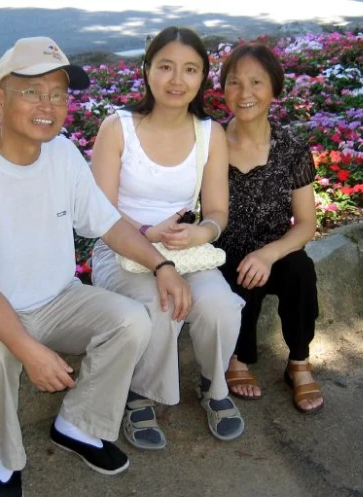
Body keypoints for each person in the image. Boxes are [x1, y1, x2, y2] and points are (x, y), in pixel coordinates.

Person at [0, 36, 192, 497]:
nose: (48, 106)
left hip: (58, 297)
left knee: (133, 319)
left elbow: (109, 223)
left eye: (58, 94)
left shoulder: (63, 155)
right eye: (32, 92)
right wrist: (30, 350)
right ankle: (6, 458)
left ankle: (79, 425)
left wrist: (163, 266)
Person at [90, 26, 246, 450]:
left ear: (202, 77)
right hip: (121, 248)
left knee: (220, 305)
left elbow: (217, 213)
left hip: (185, 251)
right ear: (146, 71)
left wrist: (203, 231)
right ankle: (139, 396)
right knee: (159, 307)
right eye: (165, 67)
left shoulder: (209, 134)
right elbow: (99, 213)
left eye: (190, 69)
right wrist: (145, 231)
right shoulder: (118, 128)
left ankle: (214, 387)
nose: (177, 80)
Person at [215, 43, 324, 414]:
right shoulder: (209, 143)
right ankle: (238, 358)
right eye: (234, 83)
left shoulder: (291, 148)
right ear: (223, 89)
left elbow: (306, 223)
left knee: (300, 270)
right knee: (233, 271)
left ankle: (298, 362)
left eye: (256, 82)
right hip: (220, 252)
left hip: (273, 251)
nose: (245, 94)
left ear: (274, 89)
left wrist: (268, 253)